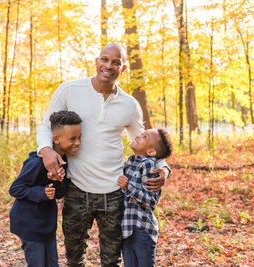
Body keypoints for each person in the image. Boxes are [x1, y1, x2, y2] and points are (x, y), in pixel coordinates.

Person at [36, 43, 171, 266]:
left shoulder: (129, 105)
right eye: (104, 59)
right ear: (97, 61)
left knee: (111, 261)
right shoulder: (69, 90)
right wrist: (46, 149)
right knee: (74, 259)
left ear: (123, 68)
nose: (108, 65)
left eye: (115, 62)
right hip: (76, 189)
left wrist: (165, 168)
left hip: (114, 193)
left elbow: (146, 144)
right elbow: (45, 125)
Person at [9, 111, 82, 267]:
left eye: (79, 138)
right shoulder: (36, 162)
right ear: (55, 139)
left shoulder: (63, 161)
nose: (78, 143)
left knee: (52, 264)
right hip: (29, 224)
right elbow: (15, 189)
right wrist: (41, 192)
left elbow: (60, 193)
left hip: (47, 224)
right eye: (72, 139)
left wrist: (55, 181)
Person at [117, 129, 173, 267]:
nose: (138, 136)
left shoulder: (148, 165)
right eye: (142, 134)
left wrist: (128, 187)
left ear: (151, 152)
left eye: (144, 137)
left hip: (142, 229)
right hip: (126, 228)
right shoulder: (130, 162)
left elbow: (150, 200)